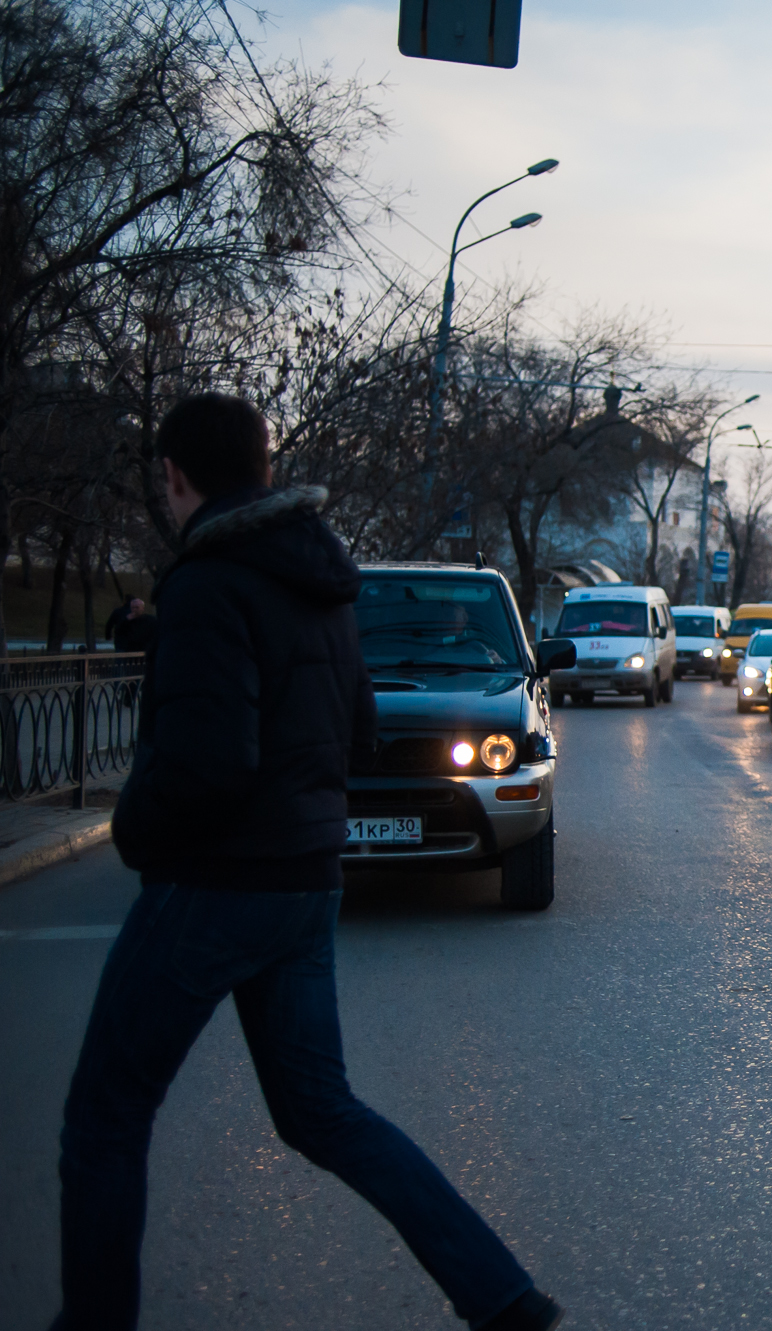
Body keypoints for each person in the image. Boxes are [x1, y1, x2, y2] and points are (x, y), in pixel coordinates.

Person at [53, 394, 561, 1331]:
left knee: (103, 1119)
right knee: (324, 1113)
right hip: (303, 883)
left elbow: (208, 760)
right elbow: (349, 719)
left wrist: (134, 830)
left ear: (175, 477)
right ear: (267, 467)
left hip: (213, 884)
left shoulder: (207, 583)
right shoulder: (322, 586)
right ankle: (506, 1299)